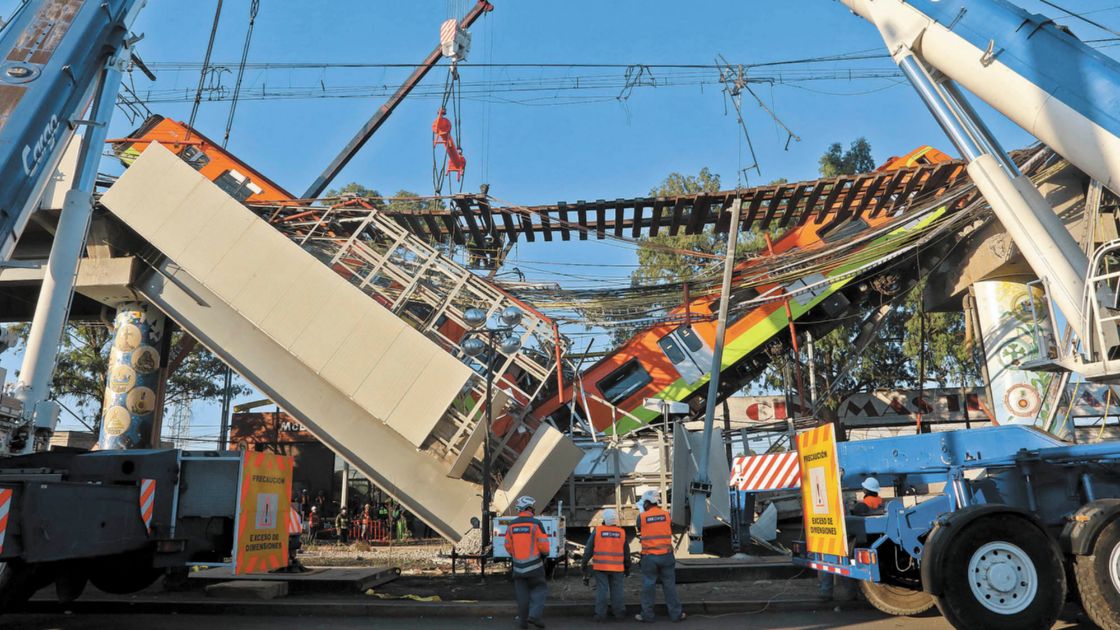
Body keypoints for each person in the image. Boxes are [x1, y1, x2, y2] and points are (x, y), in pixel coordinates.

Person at [635, 490, 684, 623]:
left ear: (646, 503)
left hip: (649, 557)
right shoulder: (666, 515)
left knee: (648, 586)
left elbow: (640, 527)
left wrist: (642, 512)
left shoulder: (642, 517)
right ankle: (676, 614)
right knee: (669, 586)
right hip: (666, 556)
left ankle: (647, 615)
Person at [503, 495, 550, 629]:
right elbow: (544, 546)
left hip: (518, 568)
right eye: (532, 508)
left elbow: (507, 545)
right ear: (529, 508)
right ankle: (534, 616)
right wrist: (545, 555)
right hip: (535, 567)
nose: (534, 510)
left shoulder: (511, 525)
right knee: (540, 589)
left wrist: (516, 556)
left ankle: (523, 623)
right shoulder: (536, 524)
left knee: (522, 596)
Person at [581, 508, 630, 622]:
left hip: (601, 567)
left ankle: (600, 615)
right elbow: (626, 552)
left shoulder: (597, 531)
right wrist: (627, 567)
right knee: (617, 590)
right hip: (617, 568)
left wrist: (584, 563)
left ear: (604, 520)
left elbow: (589, 549)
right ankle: (619, 613)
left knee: (602, 591)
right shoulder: (621, 532)